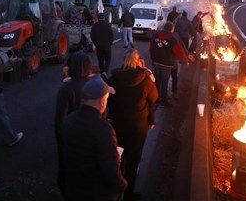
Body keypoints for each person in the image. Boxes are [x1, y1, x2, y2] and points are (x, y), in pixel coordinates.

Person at [61, 76, 127, 201]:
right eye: (107, 99)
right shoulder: (103, 129)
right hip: (98, 193)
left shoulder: (70, 119)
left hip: (74, 188)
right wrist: (122, 185)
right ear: (102, 102)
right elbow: (110, 170)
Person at [108, 49, 158, 201]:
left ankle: (116, 188)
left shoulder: (114, 77)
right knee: (134, 157)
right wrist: (151, 120)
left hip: (117, 122)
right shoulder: (146, 79)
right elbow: (154, 98)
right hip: (138, 124)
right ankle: (129, 194)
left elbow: (109, 98)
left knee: (118, 154)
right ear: (138, 61)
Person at [54, 51, 93, 196]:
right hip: (88, 135)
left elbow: (59, 119)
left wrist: (61, 140)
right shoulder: (93, 85)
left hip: (70, 137)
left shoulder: (66, 89)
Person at [150, 21, 193, 107]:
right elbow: (179, 51)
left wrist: (153, 58)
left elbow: (151, 47)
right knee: (164, 83)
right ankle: (164, 100)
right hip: (166, 64)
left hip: (156, 62)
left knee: (157, 82)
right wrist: (185, 60)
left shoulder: (155, 35)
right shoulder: (172, 38)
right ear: (172, 29)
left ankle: (156, 99)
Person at [90, 12, 114, 77]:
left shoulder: (95, 25)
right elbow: (111, 35)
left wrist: (96, 43)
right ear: (104, 17)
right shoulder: (108, 25)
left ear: (98, 18)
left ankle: (101, 72)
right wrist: (110, 43)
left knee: (100, 60)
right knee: (108, 59)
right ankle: (105, 72)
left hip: (99, 46)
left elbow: (92, 36)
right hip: (107, 45)